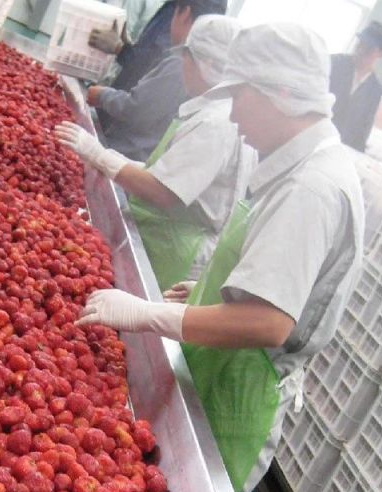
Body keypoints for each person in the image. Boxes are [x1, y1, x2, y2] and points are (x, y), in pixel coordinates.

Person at [76, 23, 365, 492]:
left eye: (240, 96)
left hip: (241, 387)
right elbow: (279, 276)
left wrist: (149, 315)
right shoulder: (299, 165)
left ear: (280, 94)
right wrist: (213, 288)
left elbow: (269, 322)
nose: (233, 113)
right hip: (225, 364)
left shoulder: (309, 188)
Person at [55, 15, 253, 290]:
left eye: (186, 58)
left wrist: (99, 155)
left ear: (204, 65)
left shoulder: (215, 123)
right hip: (169, 236)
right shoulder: (214, 112)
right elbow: (169, 171)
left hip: (178, 251)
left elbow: (163, 191)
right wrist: (119, 160)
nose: (182, 66)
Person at [90, 0, 228, 161]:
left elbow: (139, 108)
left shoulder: (181, 62)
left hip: (125, 152)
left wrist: (103, 95)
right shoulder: (198, 61)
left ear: (184, 14)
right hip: (126, 147)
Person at [330, 21, 382, 152]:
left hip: (336, 149)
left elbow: (362, 130)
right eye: (360, 43)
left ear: (381, 53)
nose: (361, 50)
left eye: (369, 48)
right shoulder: (333, 64)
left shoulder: (374, 91)